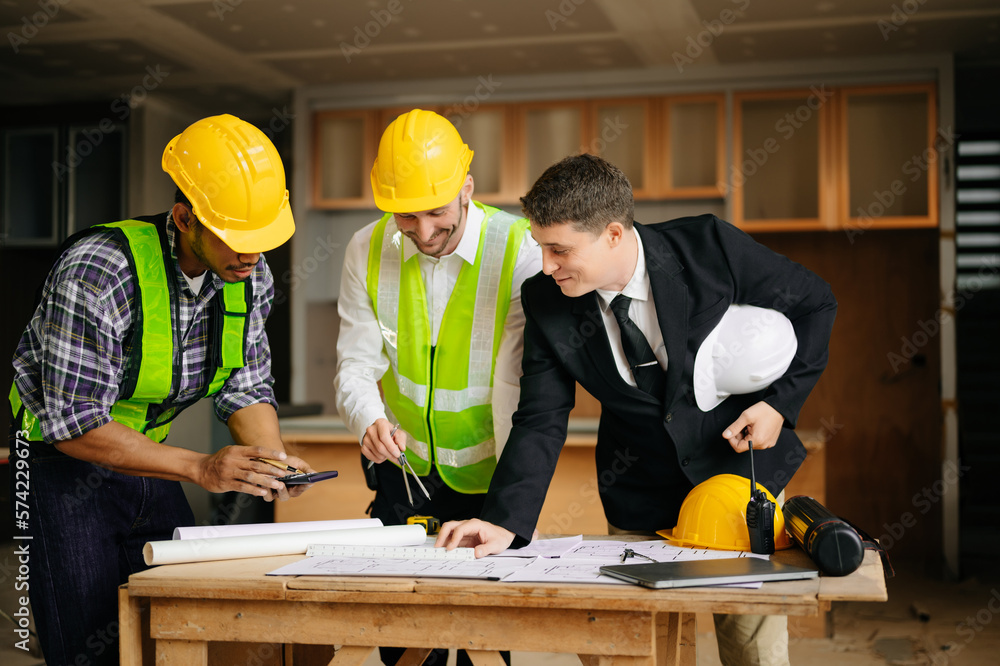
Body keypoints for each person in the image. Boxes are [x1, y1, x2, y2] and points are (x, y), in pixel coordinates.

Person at [436, 154, 837, 666]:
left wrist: (780, 405)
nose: (547, 265)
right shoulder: (547, 300)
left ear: (613, 235)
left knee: (752, 647)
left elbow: (816, 303)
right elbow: (540, 415)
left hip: (738, 475)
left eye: (559, 250)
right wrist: (506, 523)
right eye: (541, 248)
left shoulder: (708, 248)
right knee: (636, 650)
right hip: (638, 488)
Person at [8, 114, 313, 666]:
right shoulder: (101, 271)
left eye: (261, 240)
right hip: (59, 466)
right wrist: (201, 468)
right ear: (184, 218)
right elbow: (74, 423)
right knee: (85, 642)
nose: (252, 256)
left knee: (173, 623)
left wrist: (271, 459)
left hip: (150, 458)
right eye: (237, 239)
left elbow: (246, 383)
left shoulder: (250, 275)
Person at [334, 109, 541, 666]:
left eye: (436, 212)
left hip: (489, 481)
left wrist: (513, 502)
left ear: (467, 188)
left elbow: (529, 385)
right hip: (405, 480)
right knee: (405, 638)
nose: (423, 233)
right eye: (406, 215)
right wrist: (367, 419)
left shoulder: (520, 249)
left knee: (483, 637)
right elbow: (355, 363)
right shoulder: (366, 248)